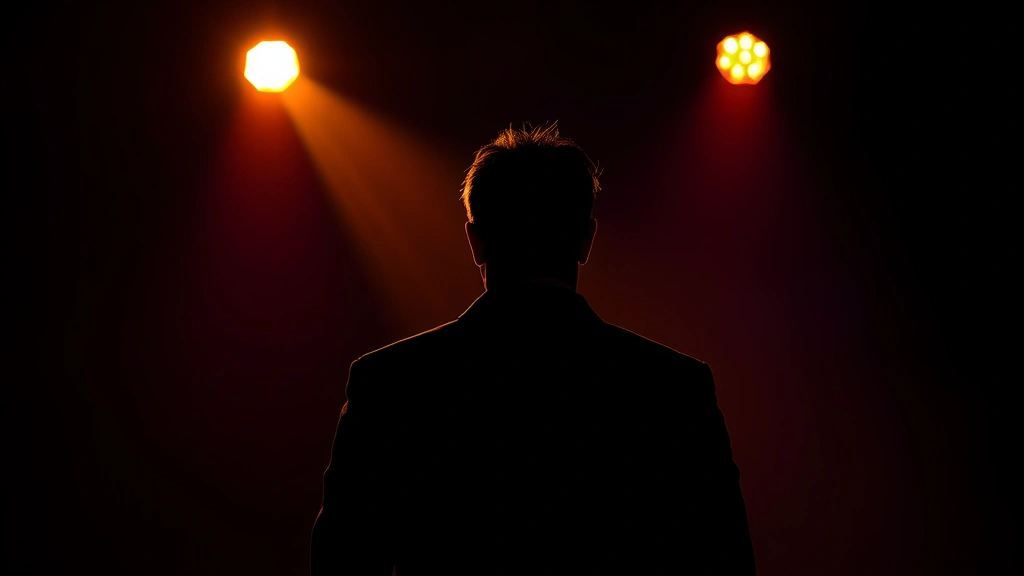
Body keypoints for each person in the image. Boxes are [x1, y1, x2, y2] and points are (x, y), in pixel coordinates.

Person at [310, 124, 755, 575]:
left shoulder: (390, 382)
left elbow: (342, 563)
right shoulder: (673, 388)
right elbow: (725, 562)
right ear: (586, 238)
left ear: (475, 242)